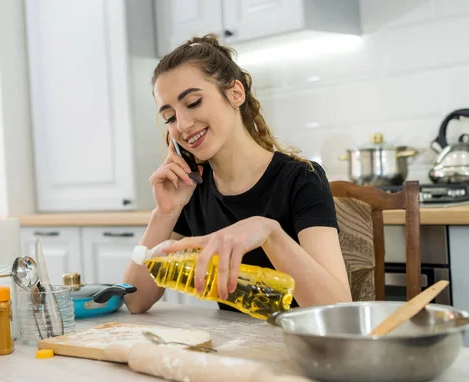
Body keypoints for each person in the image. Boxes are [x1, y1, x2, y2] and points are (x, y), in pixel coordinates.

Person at [123, 34, 352, 315]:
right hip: (233, 349)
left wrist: (269, 233)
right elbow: (135, 300)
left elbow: (339, 311)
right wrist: (165, 212)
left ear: (235, 94)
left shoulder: (302, 179)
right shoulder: (192, 190)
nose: (182, 125)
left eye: (193, 102)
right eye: (169, 117)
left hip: (299, 347)